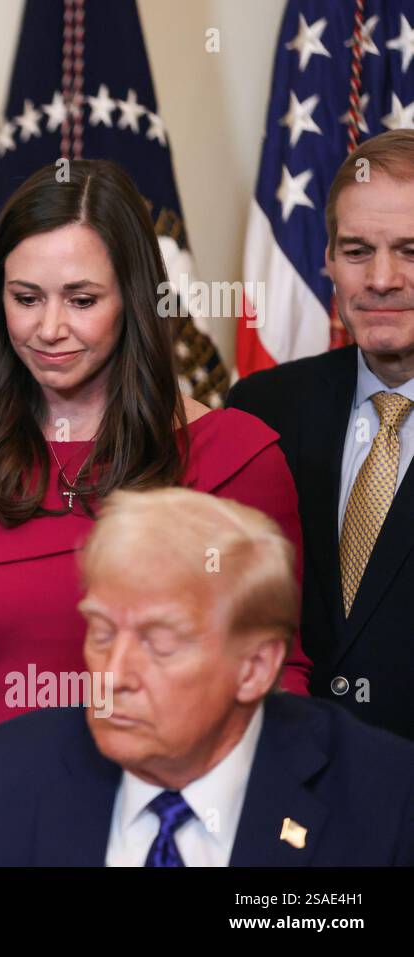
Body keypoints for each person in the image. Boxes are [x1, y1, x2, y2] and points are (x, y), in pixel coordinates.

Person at [0, 159, 313, 862]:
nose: (48, 328)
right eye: (25, 297)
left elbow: (279, 681)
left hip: (176, 830)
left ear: (134, 301)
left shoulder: (236, 458)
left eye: (81, 298)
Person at [0, 488, 414, 867]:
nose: (113, 676)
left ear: (255, 668)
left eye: (160, 643)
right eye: (102, 633)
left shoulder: (384, 800)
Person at [228, 129, 414, 741]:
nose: (382, 279)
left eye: (410, 251)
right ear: (328, 260)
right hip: (292, 784)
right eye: (358, 250)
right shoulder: (261, 412)